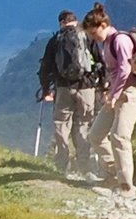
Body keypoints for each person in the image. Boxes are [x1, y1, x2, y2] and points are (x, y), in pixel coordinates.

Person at [85, 3, 136, 193]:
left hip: (130, 94)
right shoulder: (106, 43)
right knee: (96, 135)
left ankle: (126, 186)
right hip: (115, 94)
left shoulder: (120, 40)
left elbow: (125, 70)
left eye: (94, 34)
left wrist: (113, 94)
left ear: (103, 25)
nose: (93, 38)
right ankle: (113, 174)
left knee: (120, 136)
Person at [36, 9, 101, 179]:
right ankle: (85, 167)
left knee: (61, 125)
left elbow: (45, 68)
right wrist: (101, 86)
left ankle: (61, 166)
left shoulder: (55, 40)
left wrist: (45, 89)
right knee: (83, 125)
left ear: (61, 23)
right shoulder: (86, 37)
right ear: (75, 21)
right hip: (86, 88)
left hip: (63, 88)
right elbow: (100, 61)